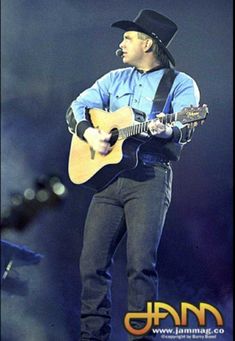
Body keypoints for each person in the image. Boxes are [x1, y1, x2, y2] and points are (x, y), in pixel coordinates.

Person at [66, 9, 200, 341]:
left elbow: (184, 126)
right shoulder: (114, 79)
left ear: (149, 44)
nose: (121, 43)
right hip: (109, 180)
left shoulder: (180, 84)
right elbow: (76, 107)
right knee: (91, 264)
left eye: (128, 37)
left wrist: (165, 129)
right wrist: (90, 133)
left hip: (150, 177)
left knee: (140, 266)